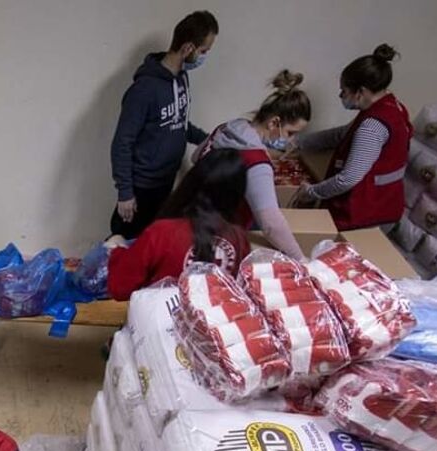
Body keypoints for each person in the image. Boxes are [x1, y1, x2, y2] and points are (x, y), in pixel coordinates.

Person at [109, 10, 219, 239]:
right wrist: (125, 193)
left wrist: (212, 139)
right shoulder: (144, 90)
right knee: (126, 241)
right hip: (141, 187)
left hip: (166, 180)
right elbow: (122, 142)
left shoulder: (182, 78)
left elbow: (179, 123)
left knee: (154, 241)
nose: (204, 57)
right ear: (188, 48)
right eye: (203, 51)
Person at [292, 45, 412, 231]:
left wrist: (312, 192)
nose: (341, 96)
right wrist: (298, 142)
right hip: (383, 202)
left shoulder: (372, 127)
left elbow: (347, 179)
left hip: (368, 212)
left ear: (360, 92)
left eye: (344, 91)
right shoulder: (390, 106)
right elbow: (344, 134)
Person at [195, 70, 311, 260]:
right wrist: (301, 259)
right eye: (290, 133)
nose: (291, 140)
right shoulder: (256, 162)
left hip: (196, 218)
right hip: (223, 238)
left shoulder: (229, 128)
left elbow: (196, 157)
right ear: (274, 123)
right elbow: (271, 224)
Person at [106, 149, 250, 300]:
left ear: (192, 181)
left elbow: (119, 288)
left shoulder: (161, 233)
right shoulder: (239, 239)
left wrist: (116, 250)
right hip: (218, 314)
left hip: (160, 313)